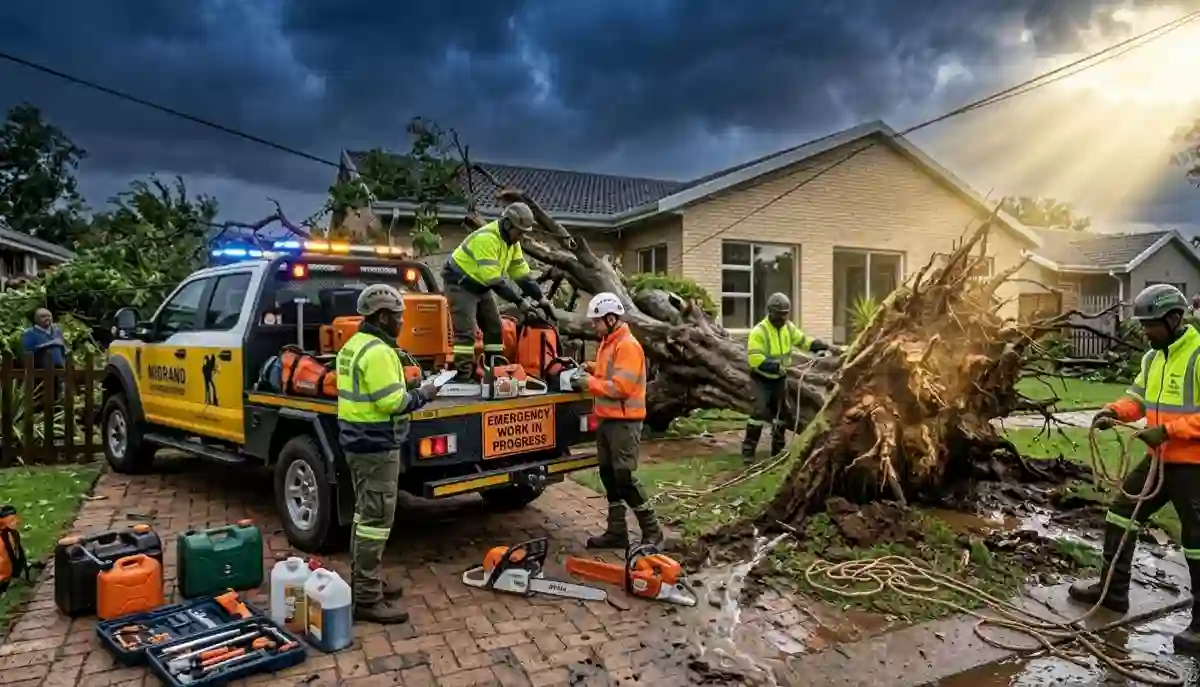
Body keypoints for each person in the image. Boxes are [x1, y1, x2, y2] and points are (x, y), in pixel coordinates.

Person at [1071, 283, 1200, 654]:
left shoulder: (1198, 355)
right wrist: (1114, 411)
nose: (1145, 332)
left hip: (1193, 466)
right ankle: (1113, 593)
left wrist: (1169, 431)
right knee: (1120, 514)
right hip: (1159, 460)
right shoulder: (1153, 357)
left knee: (1196, 542)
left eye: (1150, 325)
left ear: (1173, 319)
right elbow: (1138, 399)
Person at [336, 284, 440, 624]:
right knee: (375, 522)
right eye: (398, 316)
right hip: (376, 446)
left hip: (358, 442)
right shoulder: (379, 352)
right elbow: (393, 403)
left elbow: (374, 393)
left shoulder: (353, 345)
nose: (401, 322)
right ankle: (367, 598)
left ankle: (364, 582)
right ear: (382, 317)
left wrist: (408, 388)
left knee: (364, 516)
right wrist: (424, 393)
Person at [571, 292, 663, 549]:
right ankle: (617, 532)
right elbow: (608, 372)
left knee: (624, 477)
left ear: (611, 319)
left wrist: (588, 382)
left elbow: (620, 387)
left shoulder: (628, 346)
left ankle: (653, 531)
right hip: (607, 419)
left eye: (597, 321)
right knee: (608, 476)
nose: (594, 325)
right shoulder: (609, 342)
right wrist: (591, 367)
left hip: (624, 422)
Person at [442, 202, 555, 383]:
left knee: (494, 328)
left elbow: (522, 276)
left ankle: (494, 370)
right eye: (519, 232)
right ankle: (463, 376)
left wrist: (542, 299)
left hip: (481, 284)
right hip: (460, 284)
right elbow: (495, 282)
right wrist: (521, 302)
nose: (521, 236)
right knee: (465, 332)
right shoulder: (487, 239)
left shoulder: (512, 244)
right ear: (508, 224)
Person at [741, 293, 841, 463]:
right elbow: (755, 359)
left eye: (785, 314)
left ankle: (777, 453)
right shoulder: (759, 331)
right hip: (761, 380)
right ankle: (748, 454)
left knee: (782, 415)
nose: (783, 318)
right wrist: (776, 366)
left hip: (780, 379)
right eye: (779, 314)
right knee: (758, 414)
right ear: (770, 312)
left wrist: (823, 347)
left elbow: (804, 341)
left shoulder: (788, 328)